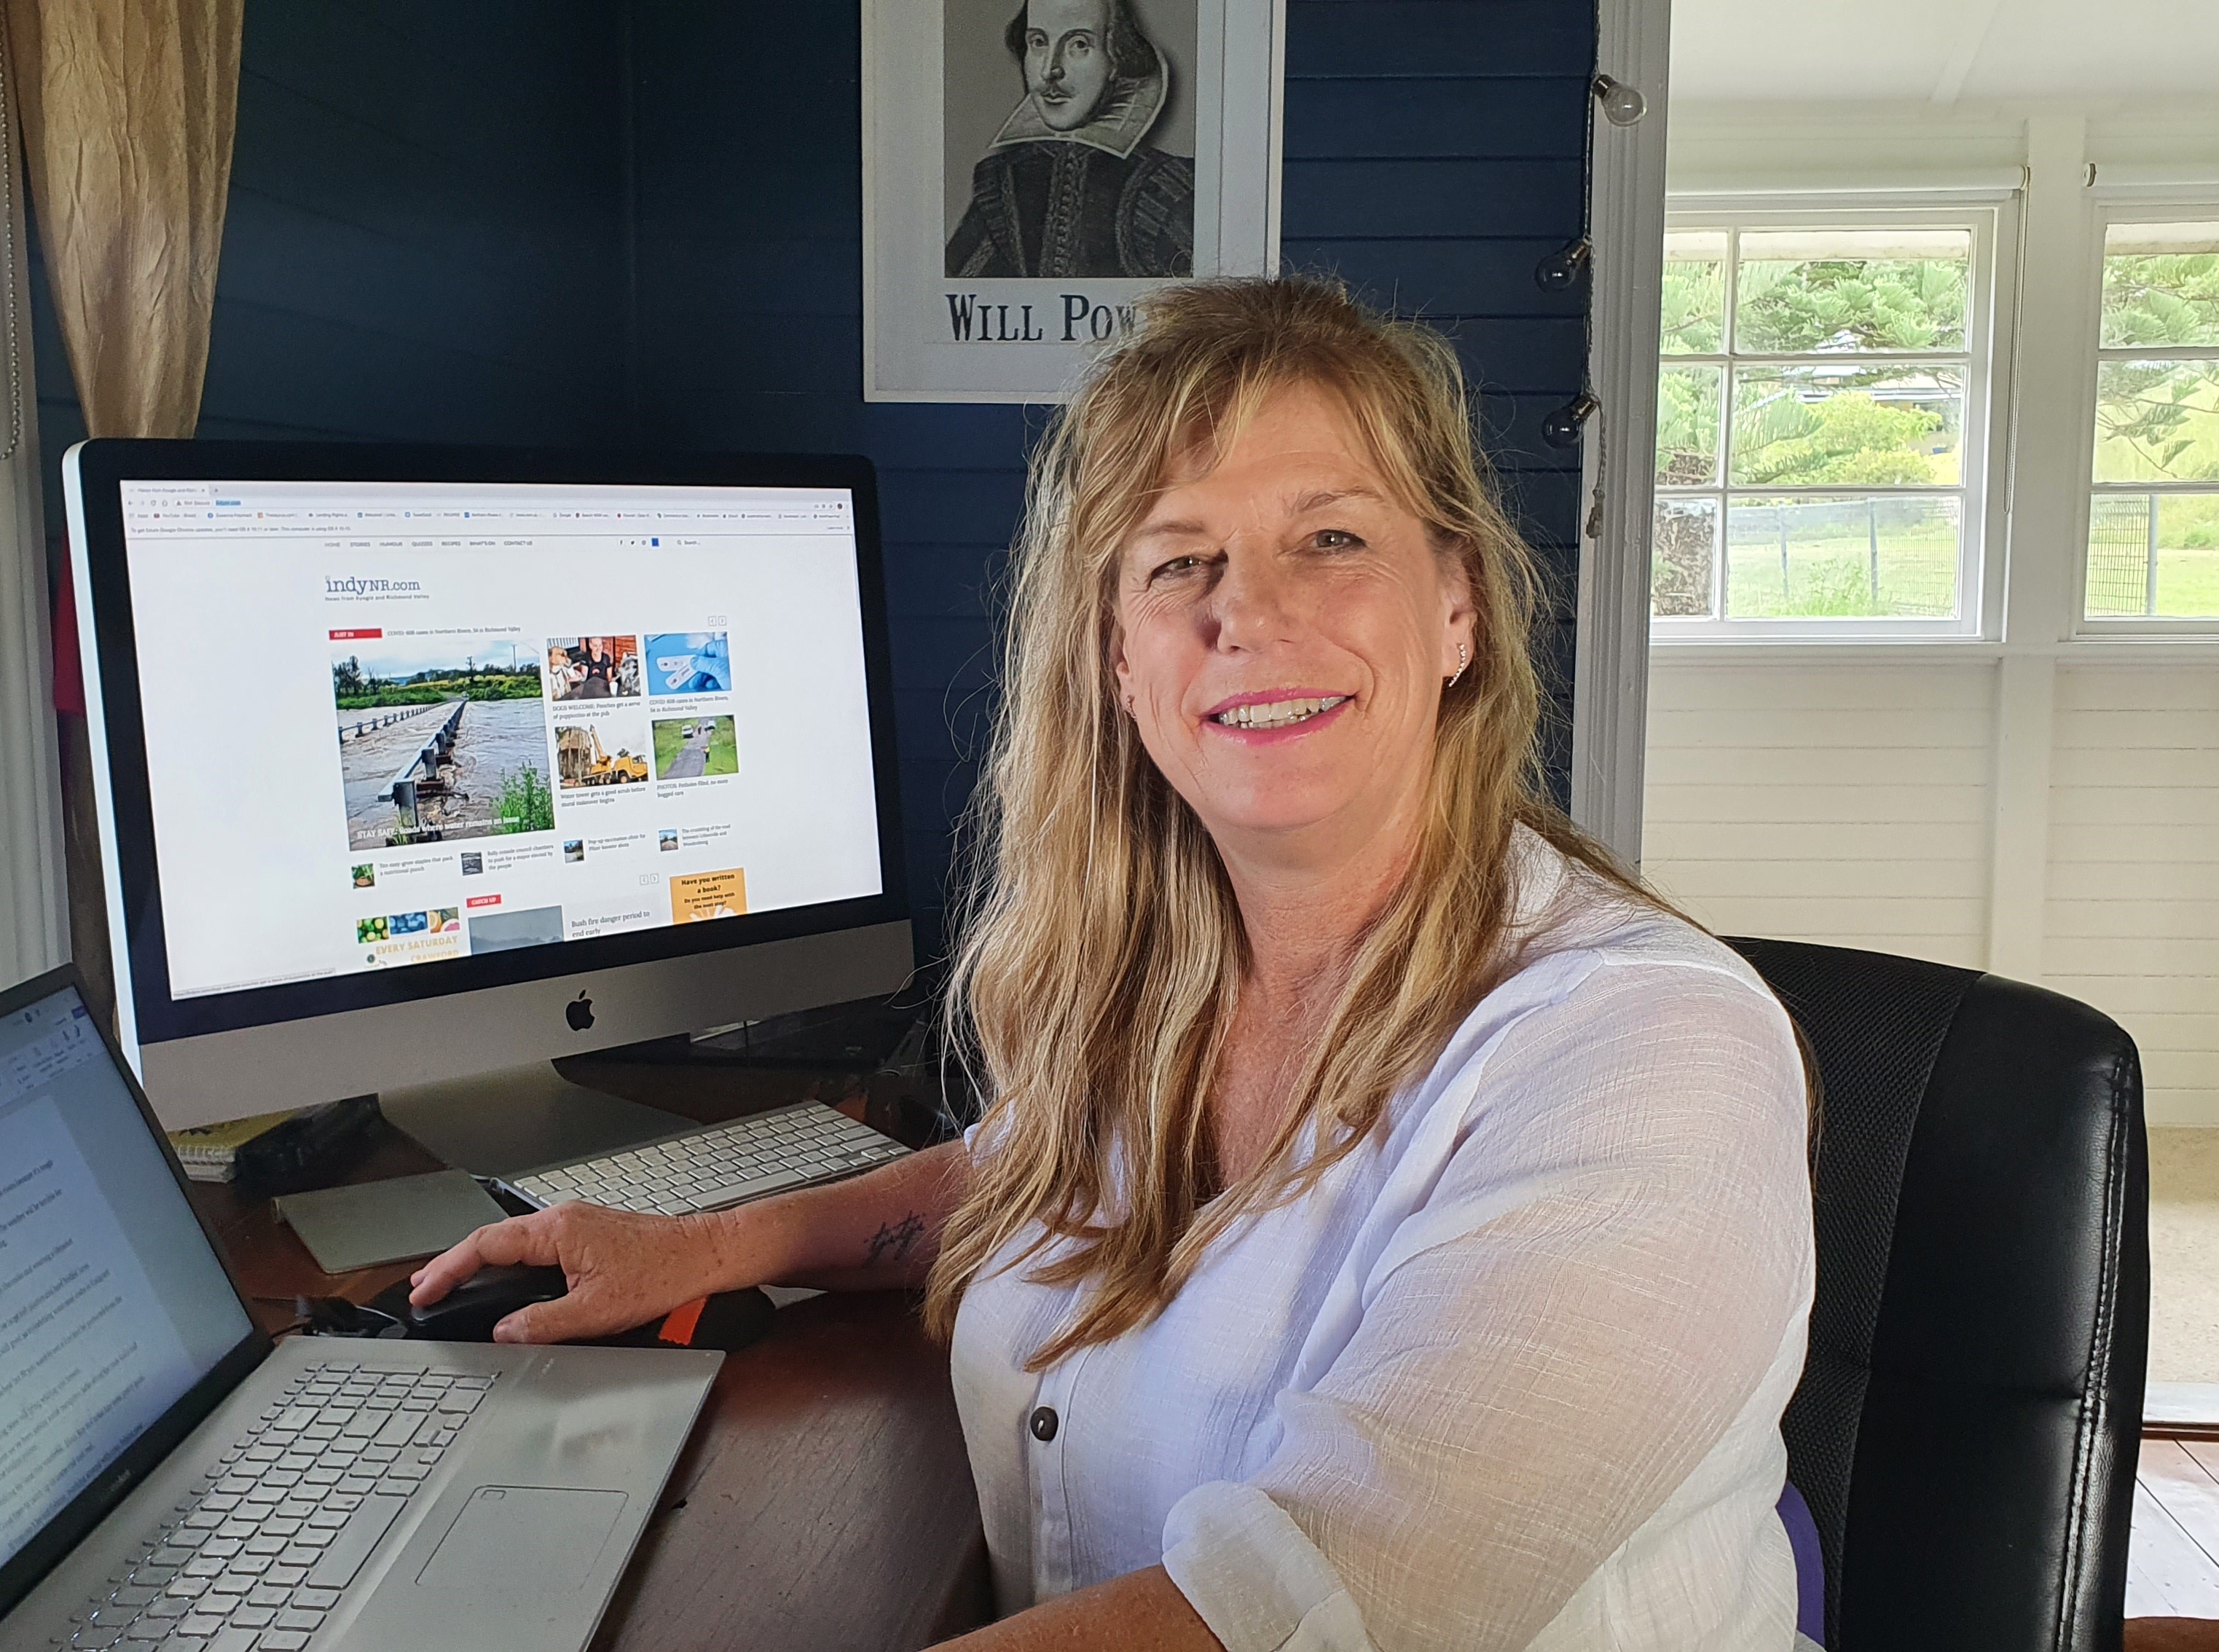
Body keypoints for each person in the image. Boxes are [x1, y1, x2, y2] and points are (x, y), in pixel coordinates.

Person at [411, 277, 1816, 1650]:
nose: (1248, 613)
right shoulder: (1167, 980)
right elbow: (1019, 1173)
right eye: (1177, 560)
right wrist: (712, 1241)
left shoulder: (1647, 1054)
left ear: (1457, 608)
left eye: (1329, 537)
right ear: (1119, 660)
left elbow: (1302, 1609)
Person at [945, 0, 1193, 280]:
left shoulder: (1166, 187)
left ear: (1116, 59)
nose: (1050, 70)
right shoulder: (1000, 181)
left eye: (1078, 45)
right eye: (1038, 42)